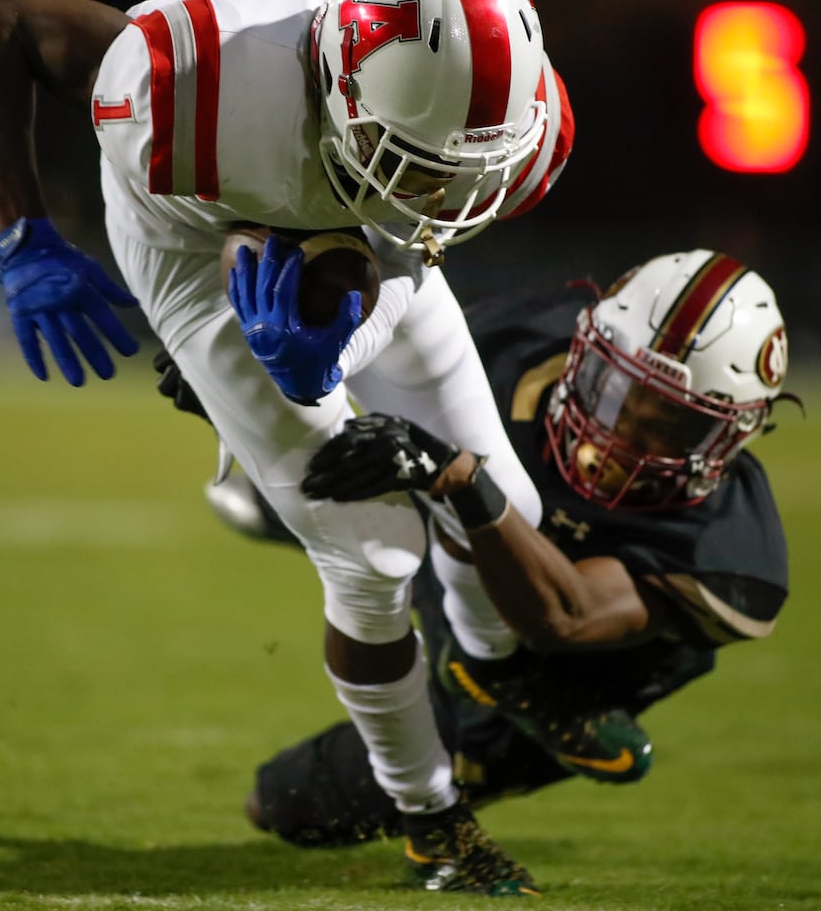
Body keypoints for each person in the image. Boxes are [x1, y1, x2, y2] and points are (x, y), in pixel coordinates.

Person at [0, 0, 573, 897]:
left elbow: (405, 229)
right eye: (415, 161)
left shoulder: (494, 124)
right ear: (338, 87)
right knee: (372, 554)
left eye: (454, 169)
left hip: (337, 223)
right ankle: (431, 817)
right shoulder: (181, 80)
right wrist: (22, 229)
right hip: (192, 250)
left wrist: (346, 323)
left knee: (508, 512)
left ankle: (494, 672)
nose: (441, 191)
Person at [169, 249, 795, 870]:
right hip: (452, 568)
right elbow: (374, 383)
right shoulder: (518, 343)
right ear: (584, 348)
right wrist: (243, 390)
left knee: (282, 804)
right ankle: (329, 531)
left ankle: (523, 705)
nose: (622, 429)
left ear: (733, 436)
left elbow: (565, 616)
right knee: (346, 487)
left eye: (671, 426)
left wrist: (464, 479)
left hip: (569, 667)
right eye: (614, 388)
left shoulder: (732, 555)